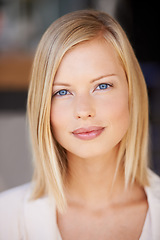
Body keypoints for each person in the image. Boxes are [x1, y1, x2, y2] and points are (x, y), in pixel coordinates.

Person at [0, 9, 160, 240]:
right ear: (43, 107)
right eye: (63, 91)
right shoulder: (5, 218)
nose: (84, 110)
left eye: (102, 86)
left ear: (131, 92)